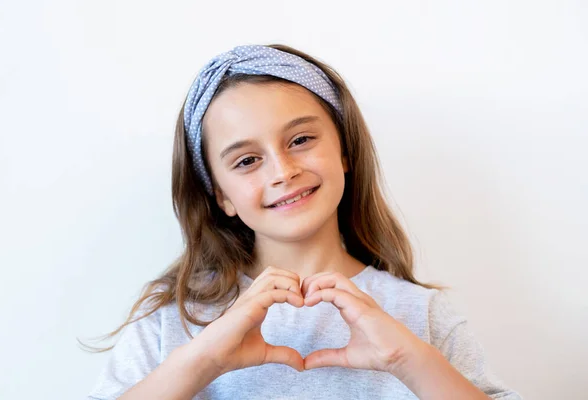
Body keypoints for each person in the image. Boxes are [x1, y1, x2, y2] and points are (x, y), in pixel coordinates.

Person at [84, 44, 523, 399]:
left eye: (300, 139)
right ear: (221, 196)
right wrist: (203, 362)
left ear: (345, 149)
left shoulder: (421, 315)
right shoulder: (172, 321)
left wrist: (410, 362)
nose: (282, 171)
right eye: (247, 160)